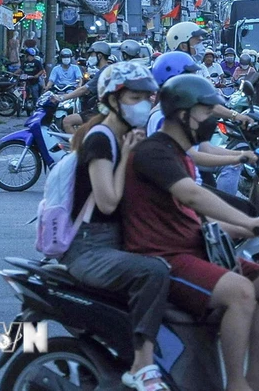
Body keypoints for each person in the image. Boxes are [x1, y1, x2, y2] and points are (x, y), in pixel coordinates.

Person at [122, 74, 259, 391]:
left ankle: (256, 377)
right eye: (206, 112)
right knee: (240, 292)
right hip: (165, 256)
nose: (211, 119)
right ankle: (236, 384)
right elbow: (192, 197)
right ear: (184, 115)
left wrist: (238, 226)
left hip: (192, 247)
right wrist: (249, 222)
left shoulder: (181, 155)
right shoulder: (154, 153)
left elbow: (189, 216)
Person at [59, 62, 172, 391]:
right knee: (154, 272)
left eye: (146, 98)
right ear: (112, 100)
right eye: (134, 97)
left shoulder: (122, 136)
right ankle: (143, 365)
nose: (143, 105)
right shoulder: (101, 139)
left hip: (109, 242)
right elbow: (108, 201)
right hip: (89, 249)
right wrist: (126, 156)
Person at [147, 53, 256, 195]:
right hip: (182, 194)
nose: (194, 81)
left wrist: (242, 154)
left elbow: (204, 148)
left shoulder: (179, 109)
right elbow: (191, 156)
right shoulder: (164, 116)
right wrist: (236, 158)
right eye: (190, 77)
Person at [55, 41, 113, 133]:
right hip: (102, 108)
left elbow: (84, 89)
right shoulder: (105, 70)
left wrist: (62, 98)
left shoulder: (104, 71)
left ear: (100, 56)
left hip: (102, 111)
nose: (90, 57)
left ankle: (79, 147)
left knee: (67, 121)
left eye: (92, 55)